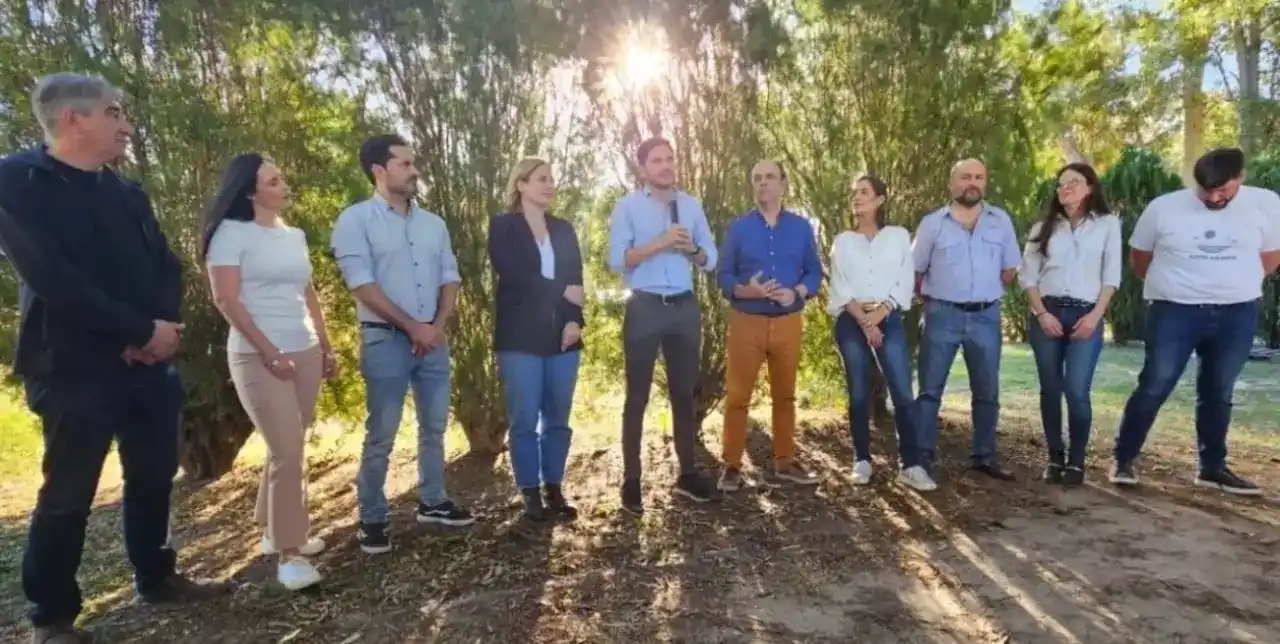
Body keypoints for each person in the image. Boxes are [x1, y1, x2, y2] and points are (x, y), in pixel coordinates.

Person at [0, 73, 228, 644]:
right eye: (114, 112)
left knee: (153, 474)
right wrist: (133, 329)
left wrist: (162, 328)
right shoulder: (15, 182)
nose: (126, 125)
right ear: (72, 119)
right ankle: (51, 617)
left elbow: (166, 264)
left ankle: (157, 575)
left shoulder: (126, 192)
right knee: (69, 490)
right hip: (72, 365)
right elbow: (51, 277)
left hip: (148, 361)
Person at [331, 134, 474, 555]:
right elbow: (362, 285)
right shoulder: (355, 221)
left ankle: (433, 502)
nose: (414, 171)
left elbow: (450, 278)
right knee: (382, 433)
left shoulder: (433, 225)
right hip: (386, 341)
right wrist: (413, 327)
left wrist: (435, 326)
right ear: (379, 170)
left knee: (433, 426)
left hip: (433, 340)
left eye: (413, 164)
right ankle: (372, 518)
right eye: (405, 164)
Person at [202, 153, 339, 589]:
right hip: (258, 354)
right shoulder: (230, 234)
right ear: (250, 191)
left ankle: (272, 529)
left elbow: (308, 294)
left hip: (306, 351)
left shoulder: (292, 235)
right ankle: (289, 554)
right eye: (273, 180)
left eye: (281, 177)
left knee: (292, 444)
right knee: (286, 451)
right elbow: (226, 300)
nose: (284, 185)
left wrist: (326, 344)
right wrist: (269, 352)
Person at [1111, 148, 1280, 495]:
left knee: (1218, 391)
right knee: (1155, 384)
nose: (1215, 197)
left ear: (1240, 179)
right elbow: (1140, 259)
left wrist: (1234, 284)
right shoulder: (1164, 207)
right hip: (1175, 310)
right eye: (1206, 191)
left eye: (1224, 191)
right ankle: (1124, 459)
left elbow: (1271, 255)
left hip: (1237, 312)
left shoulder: (1266, 204)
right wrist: (1176, 287)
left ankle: (1212, 468)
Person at [607, 136, 719, 514]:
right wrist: (660, 242)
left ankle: (687, 474)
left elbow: (711, 258)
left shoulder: (690, 206)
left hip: (684, 307)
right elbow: (617, 260)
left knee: (683, 395)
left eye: (670, 158)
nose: (666, 165)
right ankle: (632, 480)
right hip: (645, 306)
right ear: (644, 168)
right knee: (636, 396)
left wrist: (691, 249)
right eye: (657, 160)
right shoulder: (627, 208)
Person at [715, 160, 822, 492]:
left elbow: (814, 273)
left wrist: (797, 292)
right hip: (746, 322)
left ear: (783, 184)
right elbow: (724, 276)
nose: (763, 183)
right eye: (757, 178)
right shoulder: (739, 228)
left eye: (769, 177)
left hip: (788, 323)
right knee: (737, 397)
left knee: (785, 397)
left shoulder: (801, 228)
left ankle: (785, 463)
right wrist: (747, 290)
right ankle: (731, 466)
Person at [912, 158, 1021, 482]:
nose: (972, 182)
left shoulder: (1000, 221)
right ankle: (921, 458)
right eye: (965, 177)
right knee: (930, 390)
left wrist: (984, 291)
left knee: (987, 391)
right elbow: (915, 270)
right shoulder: (932, 224)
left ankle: (985, 456)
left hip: (986, 316)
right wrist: (936, 299)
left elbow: (1010, 268)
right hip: (942, 315)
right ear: (951, 183)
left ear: (985, 183)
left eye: (979, 177)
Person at [489, 158, 585, 523]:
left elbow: (576, 279)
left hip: (563, 335)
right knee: (525, 417)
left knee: (558, 416)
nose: (550, 185)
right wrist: (563, 293)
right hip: (519, 336)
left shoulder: (563, 228)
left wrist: (573, 320)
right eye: (541, 179)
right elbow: (515, 276)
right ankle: (529, 492)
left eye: (552, 180)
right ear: (521, 185)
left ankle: (554, 487)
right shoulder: (503, 227)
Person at [828, 175, 937, 491]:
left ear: (879, 199)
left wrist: (879, 316)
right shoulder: (842, 241)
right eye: (854, 193)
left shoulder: (899, 236)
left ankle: (911, 465)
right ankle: (862, 460)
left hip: (887, 316)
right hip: (852, 318)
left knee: (903, 391)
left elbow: (905, 279)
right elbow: (839, 285)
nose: (857, 197)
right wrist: (865, 321)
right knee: (859, 392)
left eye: (864, 192)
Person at [1020, 163, 1121, 487]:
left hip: (1085, 315)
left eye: (1073, 182)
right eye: (1061, 184)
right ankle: (1054, 457)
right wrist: (1041, 315)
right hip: (1047, 313)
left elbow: (1111, 277)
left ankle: (1077, 462)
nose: (1065, 188)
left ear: (1090, 187)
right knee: (1050, 390)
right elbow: (1028, 278)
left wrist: (1095, 317)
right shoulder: (1043, 227)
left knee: (1076, 391)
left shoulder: (1107, 225)